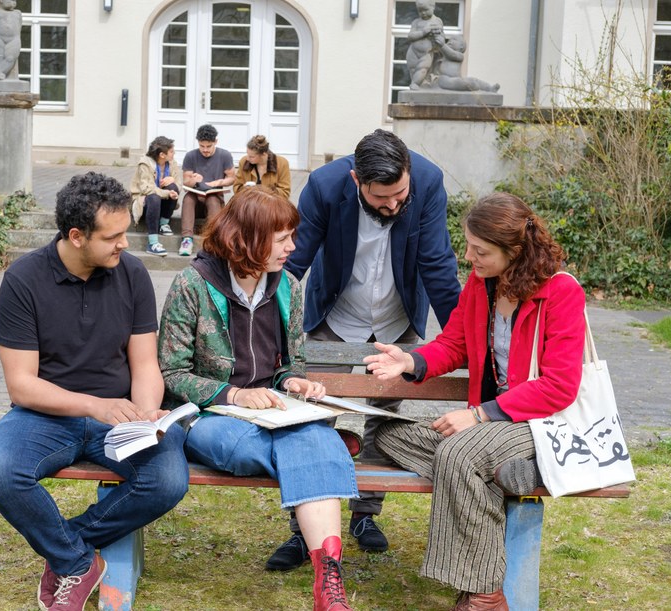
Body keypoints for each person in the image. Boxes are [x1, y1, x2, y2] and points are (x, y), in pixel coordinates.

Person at [364, 192, 586, 610]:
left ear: (515, 251)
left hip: (535, 423)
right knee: (390, 437)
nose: (469, 257)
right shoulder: (482, 285)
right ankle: (504, 473)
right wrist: (409, 359)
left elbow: (559, 386)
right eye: (468, 246)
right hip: (489, 430)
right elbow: (454, 344)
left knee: (460, 454)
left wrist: (480, 414)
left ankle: (484, 594)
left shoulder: (561, 293)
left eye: (480, 250)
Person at [0, 172, 189, 611]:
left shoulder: (131, 273)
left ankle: (67, 545)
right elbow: (22, 385)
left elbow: (146, 363)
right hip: (44, 416)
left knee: (167, 480)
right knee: (0, 471)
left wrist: (148, 412)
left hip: (123, 416)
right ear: (76, 236)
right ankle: (76, 560)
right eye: (112, 237)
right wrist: (97, 405)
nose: (124, 244)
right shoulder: (23, 280)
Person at [158, 187, 358, 611]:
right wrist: (233, 393)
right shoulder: (192, 284)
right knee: (309, 445)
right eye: (282, 238)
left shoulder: (287, 286)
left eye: (292, 236)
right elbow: (172, 372)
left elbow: (290, 363)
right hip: (210, 417)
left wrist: (295, 384)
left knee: (305, 438)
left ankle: (328, 580)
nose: (293, 247)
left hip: (275, 412)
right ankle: (330, 451)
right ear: (246, 238)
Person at [269, 129, 461, 570]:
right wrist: (270, 323)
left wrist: (464, 338)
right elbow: (294, 261)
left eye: (400, 195)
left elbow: (436, 264)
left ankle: (366, 514)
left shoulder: (429, 181)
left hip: (397, 321)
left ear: (410, 174)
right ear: (356, 180)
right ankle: (304, 529)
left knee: (382, 416)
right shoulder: (323, 186)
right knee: (311, 419)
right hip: (334, 314)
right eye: (381, 198)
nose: (393, 206)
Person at [179, 124, 236, 256]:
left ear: (215, 141)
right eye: (201, 146)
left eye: (208, 146)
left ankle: (213, 239)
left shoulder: (225, 155)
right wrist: (193, 180)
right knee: (188, 198)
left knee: (212, 199)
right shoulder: (190, 156)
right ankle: (186, 240)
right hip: (196, 200)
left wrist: (219, 182)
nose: (205, 150)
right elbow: (186, 181)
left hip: (214, 198)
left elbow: (232, 178)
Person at [129, 136, 181, 256]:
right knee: (154, 197)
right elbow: (147, 189)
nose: (174, 154)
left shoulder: (172, 163)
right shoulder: (145, 164)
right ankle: (152, 243)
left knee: (173, 187)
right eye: (172, 152)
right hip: (146, 201)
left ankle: (163, 224)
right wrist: (167, 193)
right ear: (162, 155)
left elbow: (179, 184)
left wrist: (172, 180)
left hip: (162, 201)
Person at [233, 134, 292, 199]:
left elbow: (285, 192)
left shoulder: (282, 163)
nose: (247, 158)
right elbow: (236, 187)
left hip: (272, 205)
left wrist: (262, 191)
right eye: (247, 154)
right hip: (249, 204)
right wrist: (244, 189)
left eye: (252, 157)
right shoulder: (244, 162)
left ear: (264, 154)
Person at [437, 35, 501, 93]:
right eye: (449, 40)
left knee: (474, 80)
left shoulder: (459, 55)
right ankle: (472, 84)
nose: (450, 41)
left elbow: (452, 55)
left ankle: (490, 88)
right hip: (445, 79)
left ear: (461, 47)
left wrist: (443, 46)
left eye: (454, 39)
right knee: (468, 82)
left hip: (455, 79)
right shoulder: (444, 54)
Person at [406, 0, 445, 89]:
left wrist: (438, 37)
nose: (423, 13)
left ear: (433, 7)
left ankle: (415, 83)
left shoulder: (437, 21)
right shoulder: (416, 22)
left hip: (427, 52)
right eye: (420, 11)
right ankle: (415, 83)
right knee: (412, 68)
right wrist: (423, 32)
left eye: (426, 10)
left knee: (423, 68)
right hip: (413, 51)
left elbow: (442, 37)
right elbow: (410, 36)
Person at [0, 0, 22, 80]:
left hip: (14, 39)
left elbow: (19, 27)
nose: (13, 2)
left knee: (10, 58)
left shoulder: (17, 13)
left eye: (14, 0)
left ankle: (0, 71)